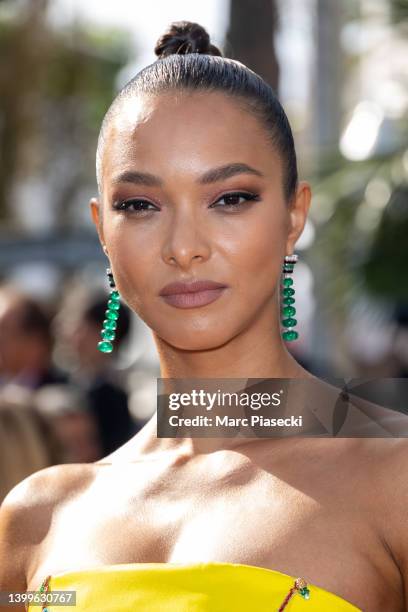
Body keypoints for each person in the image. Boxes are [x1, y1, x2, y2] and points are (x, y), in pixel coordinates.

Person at [0, 21, 406, 612]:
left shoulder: (393, 479)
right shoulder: (36, 520)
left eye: (230, 199)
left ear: (294, 216)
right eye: (140, 205)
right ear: (101, 231)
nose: (184, 246)